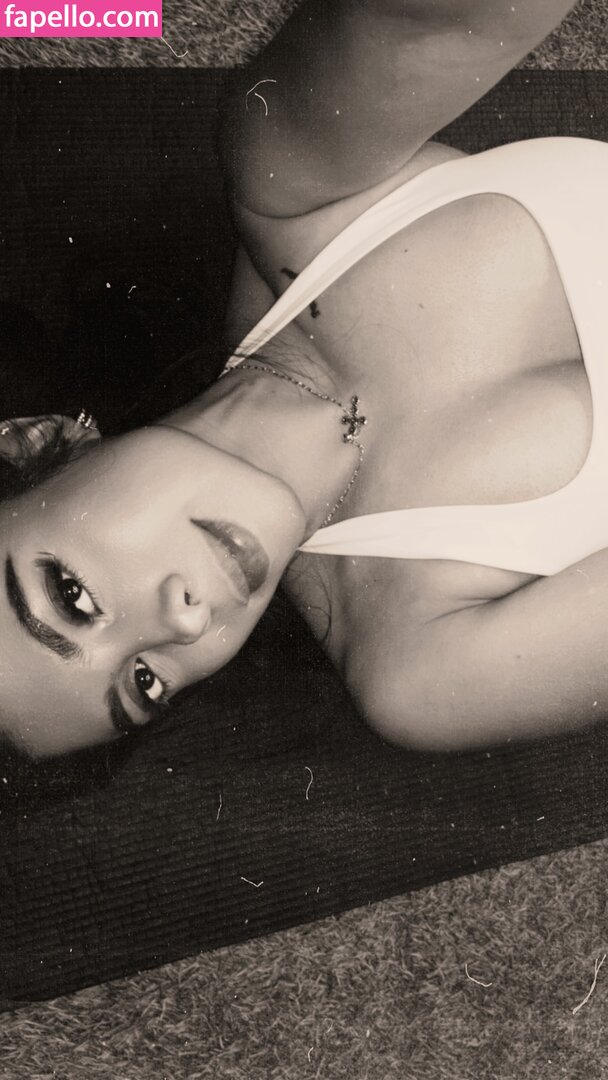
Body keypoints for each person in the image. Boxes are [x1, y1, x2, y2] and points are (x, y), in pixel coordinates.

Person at [0, 0, 601, 760]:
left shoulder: (287, 188)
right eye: (144, 683)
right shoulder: (420, 667)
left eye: (72, 596)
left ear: (33, 443)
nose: (184, 622)